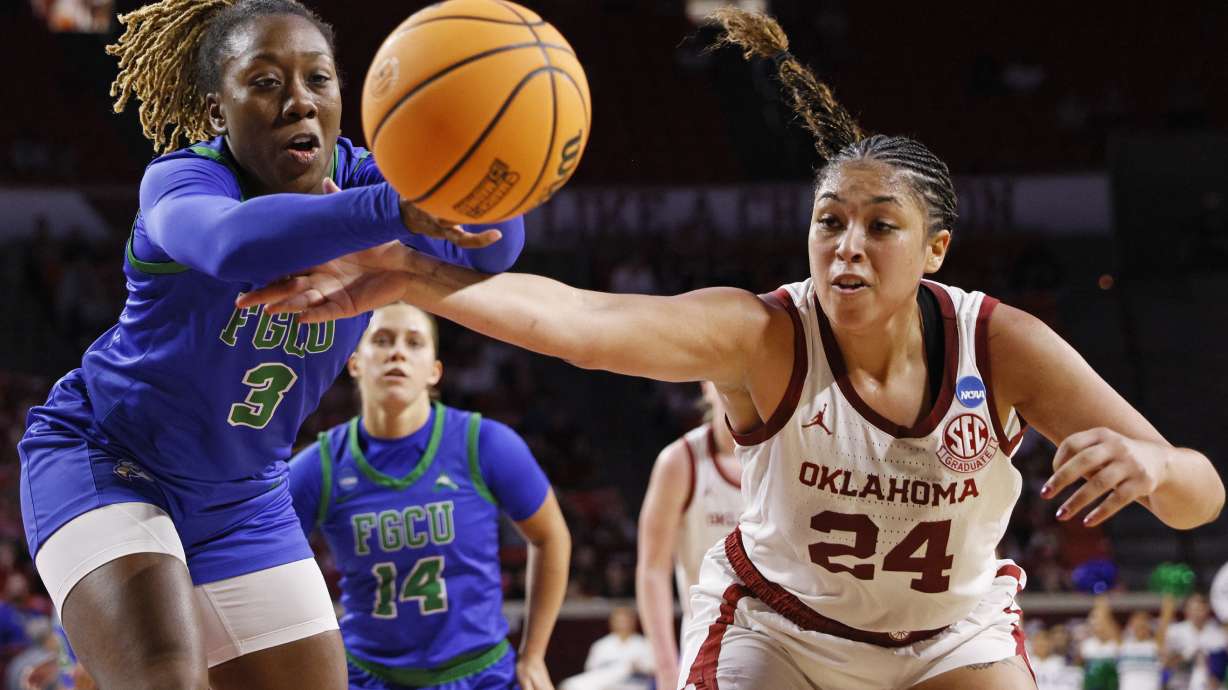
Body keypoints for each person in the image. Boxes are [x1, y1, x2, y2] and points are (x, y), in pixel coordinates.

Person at [238, 8, 1226, 689]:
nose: (845, 243)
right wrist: (418, 277)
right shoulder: (764, 334)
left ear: (934, 250)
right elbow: (583, 324)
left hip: (946, 638)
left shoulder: (1000, 343)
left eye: (879, 226)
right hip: (783, 637)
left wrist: (1150, 462)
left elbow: (1198, 493)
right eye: (828, 220)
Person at [17, 1, 525, 689]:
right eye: (264, 82)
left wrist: (465, 173)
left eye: (319, 79)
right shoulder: (183, 182)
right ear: (215, 104)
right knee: (166, 676)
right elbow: (232, 244)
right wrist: (396, 212)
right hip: (109, 460)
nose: (299, 102)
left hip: (244, 496)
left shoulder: (368, 179)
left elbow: (497, 248)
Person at [287, 303, 570, 690]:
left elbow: (551, 536)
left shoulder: (485, 444)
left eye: (414, 342)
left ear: (434, 371)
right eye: (382, 340)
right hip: (368, 676)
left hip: (479, 674)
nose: (397, 352)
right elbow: (262, 555)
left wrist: (534, 653)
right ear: (353, 362)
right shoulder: (321, 465)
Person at [635, 382, 742, 690]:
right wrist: (667, 670)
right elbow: (653, 570)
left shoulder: (784, 451)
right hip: (708, 641)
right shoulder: (680, 461)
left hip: (781, 642)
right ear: (705, 385)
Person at [558, 608, 654, 690]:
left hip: (634, 685)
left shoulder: (645, 644)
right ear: (612, 622)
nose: (623, 624)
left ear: (633, 622)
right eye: (619, 621)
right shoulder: (601, 645)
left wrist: (638, 667)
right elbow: (591, 670)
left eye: (625, 621)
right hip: (606, 684)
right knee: (570, 685)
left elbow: (654, 669)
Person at [1166, 593, 1228, 690]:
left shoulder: (1218, 634)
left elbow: (1220, 666)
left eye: (1200, 609)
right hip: (1181, 684)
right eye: (1193, 609)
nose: (1197, 613)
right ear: (1186, 610)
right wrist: (1186, 656)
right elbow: (1166, 662)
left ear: (1207, 610)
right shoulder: (1175, 631)